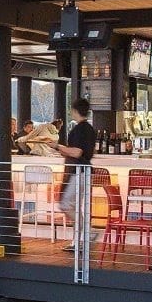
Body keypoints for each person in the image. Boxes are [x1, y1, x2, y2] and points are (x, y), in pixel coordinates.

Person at [51, 99, 97, 240]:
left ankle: (87, 232)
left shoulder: (79, 130)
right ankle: (79, 241)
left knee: (66, 204)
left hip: (78, 171)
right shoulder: (90, 129)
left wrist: (57, 146)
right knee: (74, 206)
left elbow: (77, 152)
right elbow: (87, 152)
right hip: (85, 171)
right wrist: (63, 150)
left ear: (75, 111)